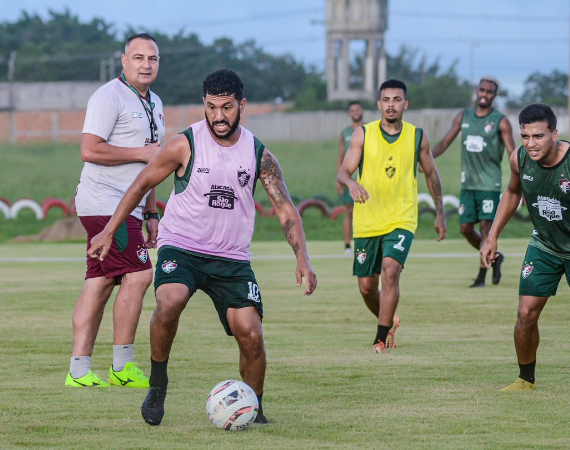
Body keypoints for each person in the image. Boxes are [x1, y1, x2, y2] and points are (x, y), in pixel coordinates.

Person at [87, 69, 317, 425]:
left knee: (252, 334)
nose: (218, 116)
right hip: (182, 248)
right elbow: (141, 182)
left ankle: (253, 410)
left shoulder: (259, 154)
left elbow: (285, 209)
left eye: (226, 108)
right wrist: (108, 230)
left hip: (232, 259)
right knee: (170, 299)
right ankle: (158, 383)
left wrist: (303, 258)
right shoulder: (185, 144)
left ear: (242, 105)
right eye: (211, 107)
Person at [65, 33, 164, 388]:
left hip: (130, 206)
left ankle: (78, 371)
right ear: (124, 61)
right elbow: (89, 150)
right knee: (138, 275)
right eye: (138, 58)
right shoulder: (109, 95)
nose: (145, 65)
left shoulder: (154, 102)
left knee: (101, 280)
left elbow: (153, 164)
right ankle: (122, 368)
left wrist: (151, 213)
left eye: (151, 58)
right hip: (105, 201)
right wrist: (140, 153)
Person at [337, 79, 447, 354]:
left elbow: (432, 175)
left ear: (405, 104)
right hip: (367, 220)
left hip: (401, 218)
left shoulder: (417, 136)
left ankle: (380, 338)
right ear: (379, 104)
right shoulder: (362, 134)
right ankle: (389, 319)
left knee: (391, 271)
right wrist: (352, 184)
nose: (391, 105)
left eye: (397, 100)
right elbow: (343, 172)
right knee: (366, 288)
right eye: (386, 100)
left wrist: (440, 214)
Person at [481, 104, 570, 391]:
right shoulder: (519, 158)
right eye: (525, 136)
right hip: (544, 245)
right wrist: (492, 236)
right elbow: (512, 191)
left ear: (555, 134)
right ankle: (525, 379)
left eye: (538, 136)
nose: (531, 144)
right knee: (525, 314)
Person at [432, 76, 516, 287]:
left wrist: (521, 179)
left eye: (489, 91)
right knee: (465, 228)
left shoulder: (500, 121)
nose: (484, 94)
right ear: (476, 92)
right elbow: (444, 141)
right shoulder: (464, 116)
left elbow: (512, 152)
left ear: (495, 96)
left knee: (487, 229)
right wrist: (426, 158)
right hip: (468, 184)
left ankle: (481, 278)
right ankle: (496, 259)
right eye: (482, 90)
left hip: (489, 184)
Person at [336, 101, 365, 254]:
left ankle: (367, 243)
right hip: (349, 178)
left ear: (362, 111)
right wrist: (338, 180)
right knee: (349, 211)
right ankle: (348, 246)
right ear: (349, 113)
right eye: (352, 110)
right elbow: (341, 156)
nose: (355, 112)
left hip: (366, 177)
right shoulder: (345, 133)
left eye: (357, 109)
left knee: (368, 211)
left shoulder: (370, 129)